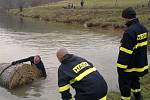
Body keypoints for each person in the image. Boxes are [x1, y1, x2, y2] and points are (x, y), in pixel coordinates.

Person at [117, 7, 149, 100]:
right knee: (135, 81)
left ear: (126, 18)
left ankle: (125, 98)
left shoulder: (129, 31)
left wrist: (120, 67)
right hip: (139, 64)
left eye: (123, 18)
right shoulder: (143, 28)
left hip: (129, 66)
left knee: (124, 85)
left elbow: (125, 52)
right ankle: (138, 97)